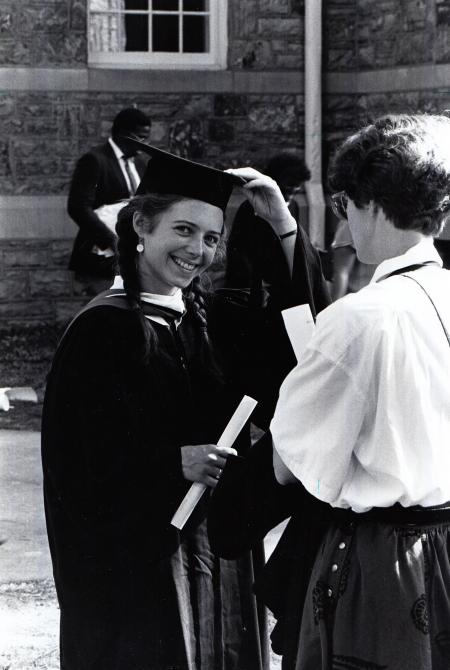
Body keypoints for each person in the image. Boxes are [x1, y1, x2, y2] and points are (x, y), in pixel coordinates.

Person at [41, 143, 328, 670]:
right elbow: (73, 463)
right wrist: (171, 462)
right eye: (184, 230)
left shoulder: (208, 320)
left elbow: (307, 337)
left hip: (216, 548)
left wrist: (282, 222)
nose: (198, 250)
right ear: (141, 227)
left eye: (212, 237)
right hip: (141, 561)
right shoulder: (100, 331)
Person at [266, 114, 450, 669]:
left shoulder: (359, 318)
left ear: (367, 204)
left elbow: (288, 464)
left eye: (345, 204)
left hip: (384, 562)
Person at [223, 154, 327, 316]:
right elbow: (241, 256)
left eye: (294, 192)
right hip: (257, 293)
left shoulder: (286, 208)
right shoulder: (251, 208)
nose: (289, 198)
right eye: (287, 191)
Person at [67, 107, 151, 296]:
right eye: (141, 138)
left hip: (131, 257)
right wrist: (112, 241)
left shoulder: (139, 164)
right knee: (104, 314)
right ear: (124, 134)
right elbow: (78, 207)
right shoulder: (94, 160)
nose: (145, 144)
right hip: (101, 257)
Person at [330, 218, 376, 300]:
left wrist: (333, 308)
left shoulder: (350, 222)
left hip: (363, 297)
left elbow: (341, 272)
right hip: (369, 297)